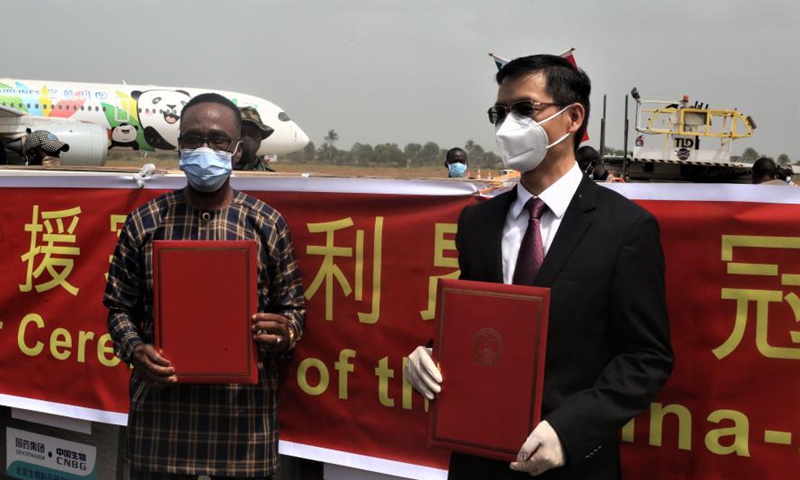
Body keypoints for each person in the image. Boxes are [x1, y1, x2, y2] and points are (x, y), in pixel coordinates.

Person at [404, 54, 673, 480]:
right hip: (478, 456)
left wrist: (570, 430)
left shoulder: (624, 228)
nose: (508, 125)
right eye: (499, 112)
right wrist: (433, 352)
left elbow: (646, 357)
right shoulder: (479, 222)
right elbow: (483, 325)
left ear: (572, 118)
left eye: (524, 110)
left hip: (571, 461)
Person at [104, 93, 305, 480]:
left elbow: (293, 310)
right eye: (192, 139)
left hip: (243, 430)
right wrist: (135, 349)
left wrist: (283, 332)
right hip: (161, 427)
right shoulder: (146, 221)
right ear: (179, 147)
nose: (204, 149)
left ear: (237, 148)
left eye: (217, 140)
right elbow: (118, 308)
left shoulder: (266, 223)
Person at [234, 106, 275, 172]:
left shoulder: (271, 179)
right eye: (241, 132)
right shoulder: (214, 176)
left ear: (261, 139)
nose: (247, 139)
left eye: (253, 133)